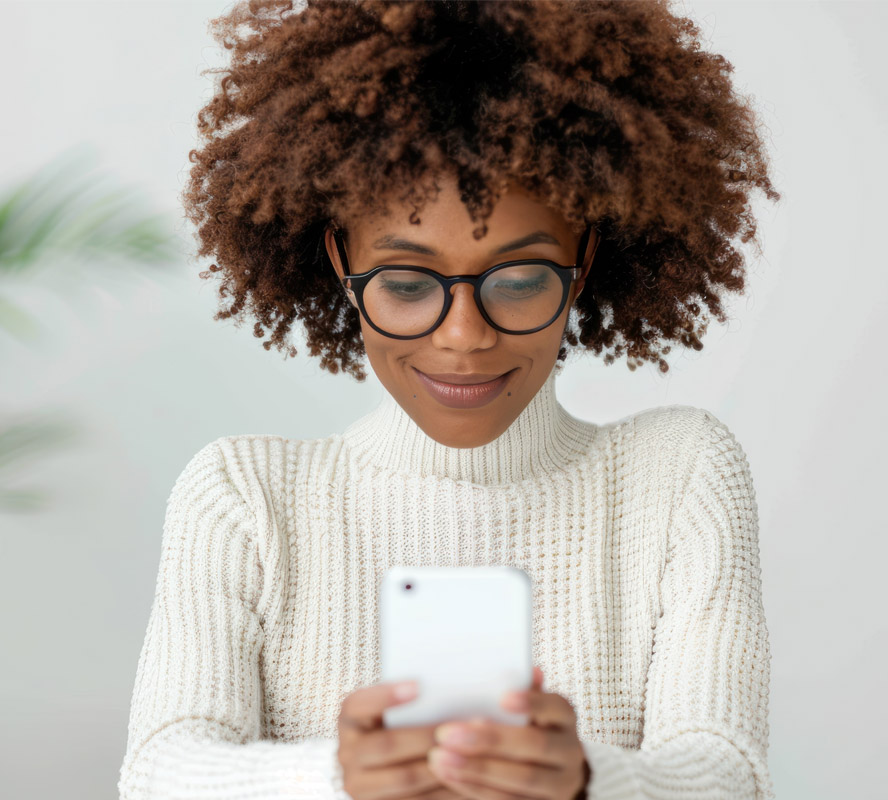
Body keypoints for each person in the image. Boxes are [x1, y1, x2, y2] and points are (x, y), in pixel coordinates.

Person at [119, 1, 779, 798]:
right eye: (405, 284)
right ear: (339, 261)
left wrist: (584, 779)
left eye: (521, 278)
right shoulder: (245, 497)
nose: (463, 335)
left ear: (584, 259)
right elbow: (158, 774)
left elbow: (726, 773)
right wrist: (335, 776)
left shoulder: (678, 477)